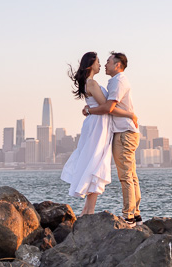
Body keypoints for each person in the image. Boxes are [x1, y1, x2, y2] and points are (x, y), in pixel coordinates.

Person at [61, 51, 138, 215]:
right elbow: (107, 108)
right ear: (90, 65)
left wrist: (89, 109)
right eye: (98, 62)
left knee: (95, 164)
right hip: (98, 126)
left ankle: (86, 211)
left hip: (98, 124)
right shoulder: (92, 84)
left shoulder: (91, 83)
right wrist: (130, 114)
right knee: (96, 164)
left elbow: (104, 108)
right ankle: (89, 211)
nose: (101, 64)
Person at [83, 52, 142, 224]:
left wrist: (89, 110)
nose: (105, 65)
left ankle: (128, 216)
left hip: (124, 132)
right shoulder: (117, 81)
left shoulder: (117, 81)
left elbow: (109, 107)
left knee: (125, 176)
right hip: (125, 131)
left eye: (108, 62)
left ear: (117, 65)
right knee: (131, 175)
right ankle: (135, 214)